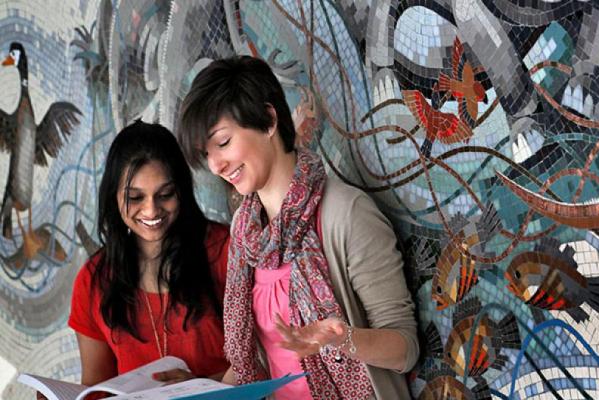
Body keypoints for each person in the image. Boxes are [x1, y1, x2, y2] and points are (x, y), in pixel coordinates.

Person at [177, 56, 419, 400]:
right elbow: (260, 362)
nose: (216, 165)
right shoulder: (247, 234)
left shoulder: (346, 214)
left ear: (269, 120)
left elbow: (405, 348)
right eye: (207, 154)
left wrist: (341, 339)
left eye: (223, 142)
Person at [68, 121, 230, 389]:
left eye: (165, 194)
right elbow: (96, 389)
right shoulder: (93, 280)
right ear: (114, 197)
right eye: (135, 198)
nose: (151, 211)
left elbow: (264, 360)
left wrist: (200, 387)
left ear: (182, 191)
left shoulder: (225, 251)